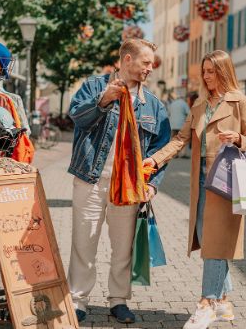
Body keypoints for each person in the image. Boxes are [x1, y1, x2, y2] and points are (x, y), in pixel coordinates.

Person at [143, 50, 246, 329]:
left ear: (224, 71)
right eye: (204, 72)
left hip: (227, 183)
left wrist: (239, 138)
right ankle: (224, 301)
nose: (207, 77)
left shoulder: (239, 101)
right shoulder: (199, 105)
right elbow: (181, 139)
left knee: (215, 245)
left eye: (212, 71)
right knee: (210, 241)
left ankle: (206, 303)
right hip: (201, 182)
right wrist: (155, 159)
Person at [67, 38, 171, 323]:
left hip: (127, 185)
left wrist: (152, 183)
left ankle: (118, 300)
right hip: (91, 178)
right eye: (145, 62)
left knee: (123, 246)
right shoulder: (94, 86)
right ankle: (78, 300)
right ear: (127, 60)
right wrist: (103, 99)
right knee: (83, 243)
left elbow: (161, 150)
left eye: (152, 64)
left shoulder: (153, 105)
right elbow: (75, 115)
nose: (150, 69)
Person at [168, 93, 191, 158]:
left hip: (173, 125)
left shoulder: (172, 104)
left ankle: (174, 154)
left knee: (174, 140)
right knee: (182, 139)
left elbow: (168, 113)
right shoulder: (184, 103)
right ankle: (183, 154)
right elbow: (189, 113)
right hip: (181, 124)